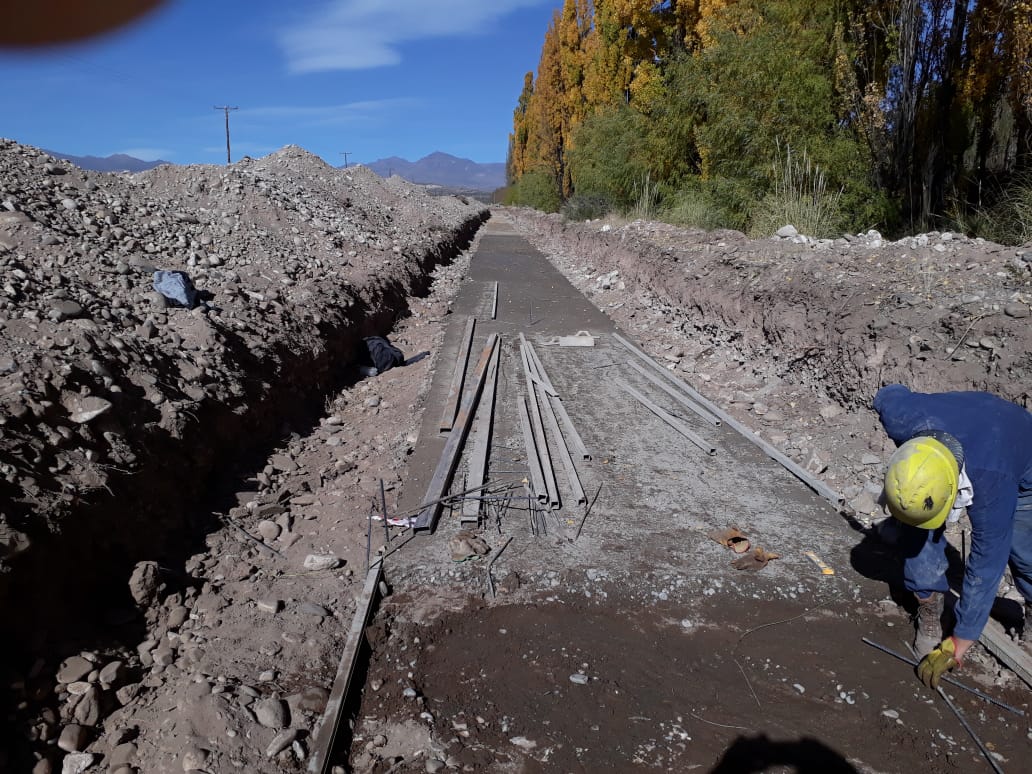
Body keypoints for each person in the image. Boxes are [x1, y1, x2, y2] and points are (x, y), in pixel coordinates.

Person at [873, 384, 1032, 688]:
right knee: (917, 529)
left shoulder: (992, 482)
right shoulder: (900, 416)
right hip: (967, 425)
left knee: (1025, 549)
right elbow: (887, 394)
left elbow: (986, 563)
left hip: (1020, 452)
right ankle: (929, 604)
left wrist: (960, 641)